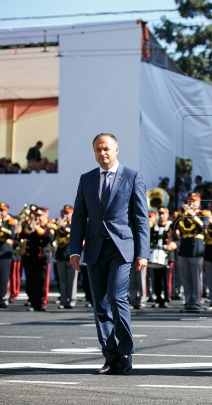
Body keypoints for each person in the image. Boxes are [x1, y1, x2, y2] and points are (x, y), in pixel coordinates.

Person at [69, 133, 150, 376]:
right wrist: (74, 249)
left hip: (122, 249)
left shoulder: (133, 177)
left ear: (116, 149)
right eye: (97, 149)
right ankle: (110, 356)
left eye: (106, 148)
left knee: (117, 298)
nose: (102, 153)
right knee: (100, 305)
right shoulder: (86, 179)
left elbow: (141, 219)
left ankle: (125, 352)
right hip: (94, 250)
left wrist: (142, 253)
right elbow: (78, 218)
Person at [175, 192, 205, 311]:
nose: (191, 203)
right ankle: (188, 302)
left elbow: (203, 225)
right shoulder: (183, 215)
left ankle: (196, 302)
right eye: (189, 201)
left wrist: (192, 213)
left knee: (196, 278)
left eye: (194, 201)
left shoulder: (204, 214)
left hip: (196, 249)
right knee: (186, 278)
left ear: (199, 202)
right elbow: (175, 227)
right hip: (184, 249)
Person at [54, 205, 76, 309]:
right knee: (62, 280)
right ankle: (63, 300)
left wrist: (65, 227)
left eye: (67, 213)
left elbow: (76, 234)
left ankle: (71, 300)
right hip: (61, 255)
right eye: (63, 213)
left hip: (71, 255)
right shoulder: (58, 226)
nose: (65, 215)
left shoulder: (75, 224)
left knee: (72, 280)